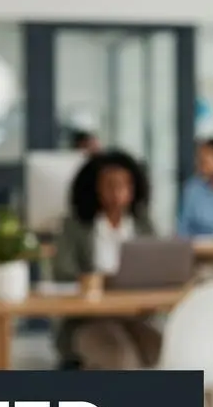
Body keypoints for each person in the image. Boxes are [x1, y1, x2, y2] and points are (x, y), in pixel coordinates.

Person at [52, 149, 163, 370]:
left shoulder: (142, 224)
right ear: (94, 188)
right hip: (88, 320)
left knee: (158, 349)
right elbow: (61, 271)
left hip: (133, 316)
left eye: (124, 185)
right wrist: (97, 279)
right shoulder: (75, 225)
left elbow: (157, 265)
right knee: (120, 357)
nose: (117, 192)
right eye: (110, 184)